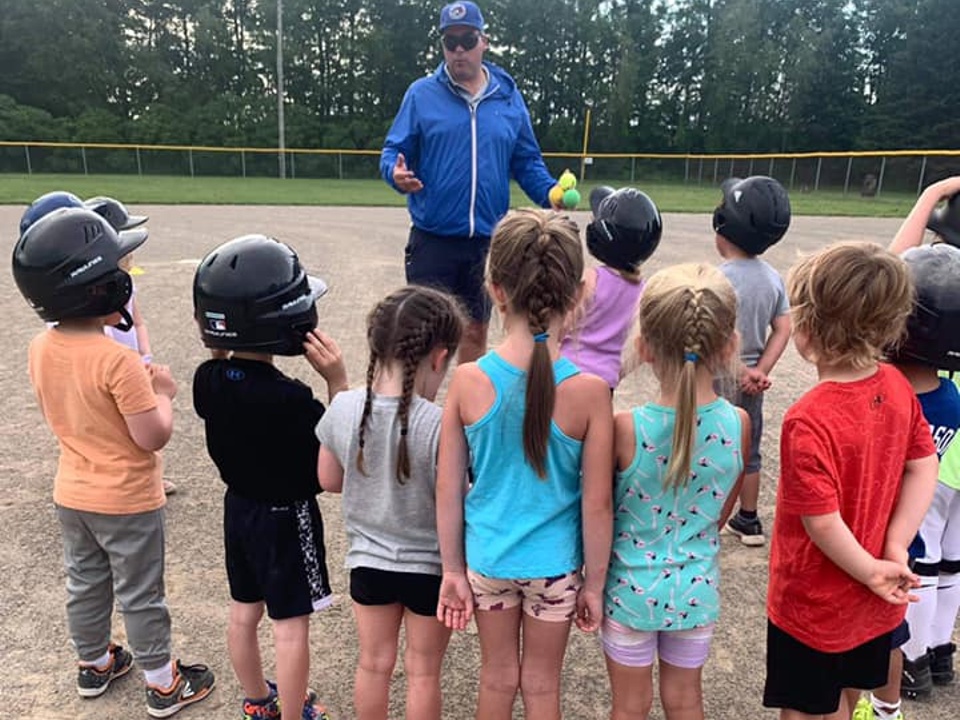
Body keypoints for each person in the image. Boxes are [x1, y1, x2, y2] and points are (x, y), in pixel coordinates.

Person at [12, 207, 215, 717]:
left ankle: (95, 663)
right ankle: (163, 684)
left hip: (72, 494)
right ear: (99, 292)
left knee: (85, 582)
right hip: (126, 499)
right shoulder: (118, 360)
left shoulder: (40, 346)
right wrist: (164, 393)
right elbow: (152, 438)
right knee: (142, 593)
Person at [435, 208, 614, 720]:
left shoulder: (468, 381)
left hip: (489, 561)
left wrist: (451, 569)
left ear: (495, 290)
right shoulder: (591, 393)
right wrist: (595, 585)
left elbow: (448, 487)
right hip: (555, 568)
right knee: (541, 686)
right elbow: (598, 503)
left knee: (495, 680)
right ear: (579, 293)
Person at [763, 241, 939, 720]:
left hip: (815, 606)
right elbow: (925, 465)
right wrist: (896, 548)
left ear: (809, 329)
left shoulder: (808, 418)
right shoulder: (897, 385)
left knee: (805, 711)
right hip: (873, 600)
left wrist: (868, 569)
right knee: (847, 697)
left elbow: (820, 522)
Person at [192, 235, 348, 720]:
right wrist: (338, 382)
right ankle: (295, 710)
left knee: (244, 611)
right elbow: (330, 471)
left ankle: (258, 702)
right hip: (286, 516)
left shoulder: (207, 379)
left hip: (238, 509)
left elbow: (225, 374)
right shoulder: (293, 399)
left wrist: (222, 347)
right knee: (290, 625)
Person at [603, 262, 748, 720]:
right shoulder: (737, 424)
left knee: (629, 706)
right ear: (730, 347)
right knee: (686, 701)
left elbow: (604, 509)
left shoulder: (625, 427)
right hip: (695, 591)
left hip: (629, 590)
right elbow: (720, 514)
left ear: (643, 348)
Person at [315, 285, 465, 720]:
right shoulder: (439, 424)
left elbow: (329, 480)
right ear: (438, 358)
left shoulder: (343, 406)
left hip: (369, 564)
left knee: (373, 664)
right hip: (430, 570)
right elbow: (457, 497)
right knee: (423, 673)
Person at [380, 1, 558, 364]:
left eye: (467, 39)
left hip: (487, 243)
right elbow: (392, 150)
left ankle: (464, 412)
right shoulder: (421, 94)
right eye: (450, 42)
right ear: (443, 45)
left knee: (475, 332)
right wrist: (395, 175)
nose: (458, 49)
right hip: (433, 239)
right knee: (423, 336)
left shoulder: (507, 96)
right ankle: (415, 415)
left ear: (483, 41)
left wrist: (550, 193)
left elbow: (526, 160)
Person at [850, 242, 960, 718]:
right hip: (906, 544)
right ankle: (886, 709)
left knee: (853, 634)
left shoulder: (879, 393)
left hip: (864, 537)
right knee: (892, 633)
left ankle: (849, 702)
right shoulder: (952, 397)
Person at [712, 176, 793, 546]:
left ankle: (704, 514)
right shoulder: (772, 278)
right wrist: (759, 370)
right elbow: (783, 328)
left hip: (714, 377)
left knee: (706, 444)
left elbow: (710, 333)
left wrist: (739, 369)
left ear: (722, 226)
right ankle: (748, 518)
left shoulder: (716, 279)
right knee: (749, 449)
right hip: (751, 384)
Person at [84, 195, 178, 496]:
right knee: (116, 426)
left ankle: (153, 476)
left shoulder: (125, 284)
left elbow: (137, 322)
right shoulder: (93, 297)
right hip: (114, 367)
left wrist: (144, 355)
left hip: (134, 363)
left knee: (141, 416)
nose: (131, 251)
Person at [560, 187, 662, 391]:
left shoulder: (591, 278)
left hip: (566, 375)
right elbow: (648, 344)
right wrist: (618, 371)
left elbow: (561, 326)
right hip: (606, 382)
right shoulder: (644, 291)